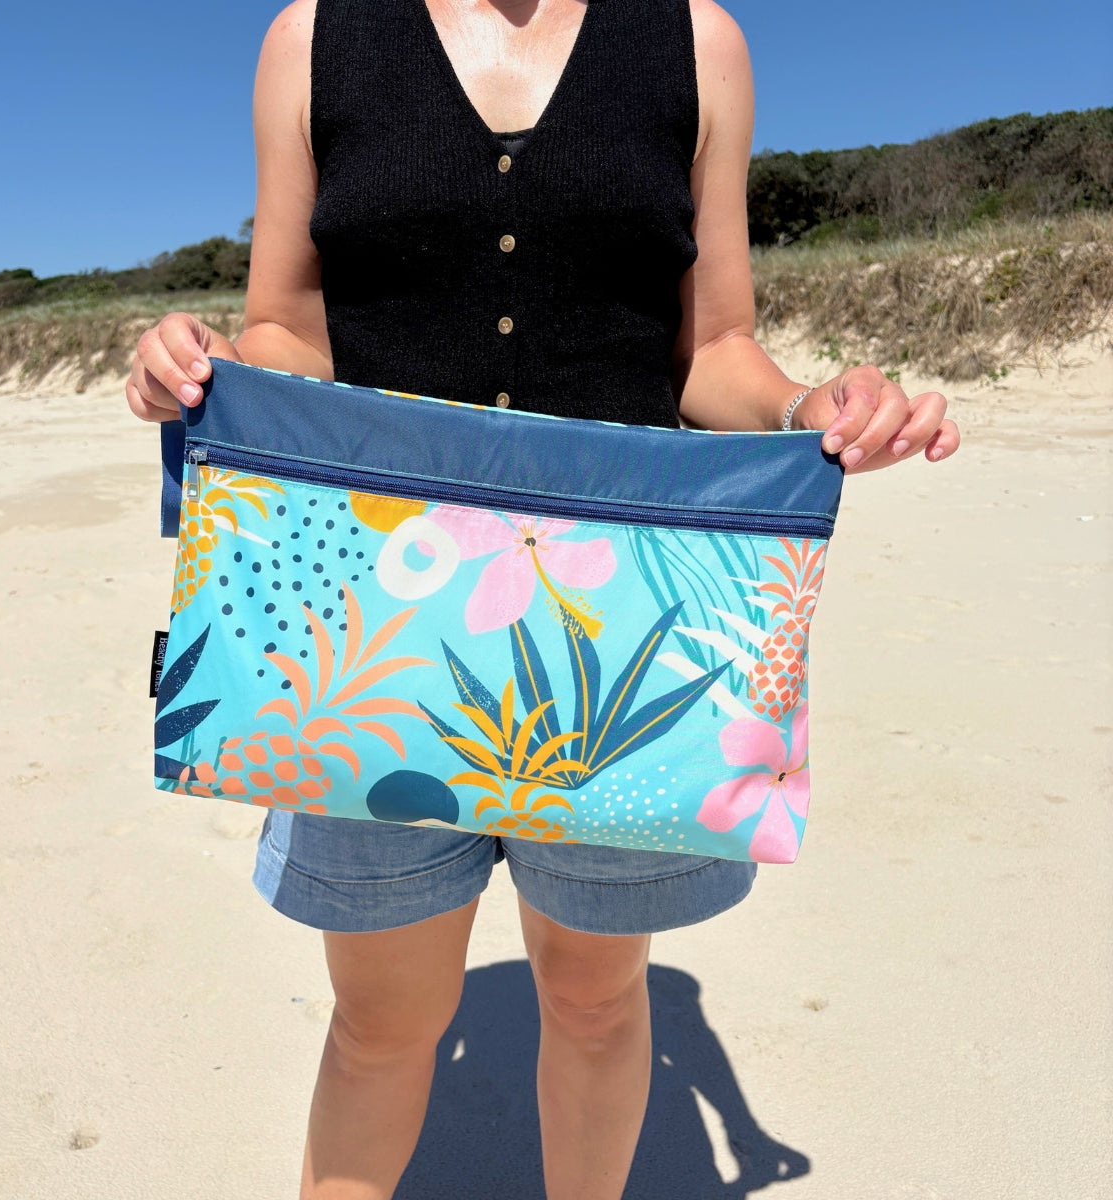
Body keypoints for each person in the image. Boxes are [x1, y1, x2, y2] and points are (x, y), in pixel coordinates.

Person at [126, 2, 960, 1196]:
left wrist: (802, 410)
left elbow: (712, 349)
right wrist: (203, 370)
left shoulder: (699, 42)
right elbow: (289, 331)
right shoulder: (311, 39)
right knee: (380, 1024)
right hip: (371, 626)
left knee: (595, 1000)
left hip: (617, 630)